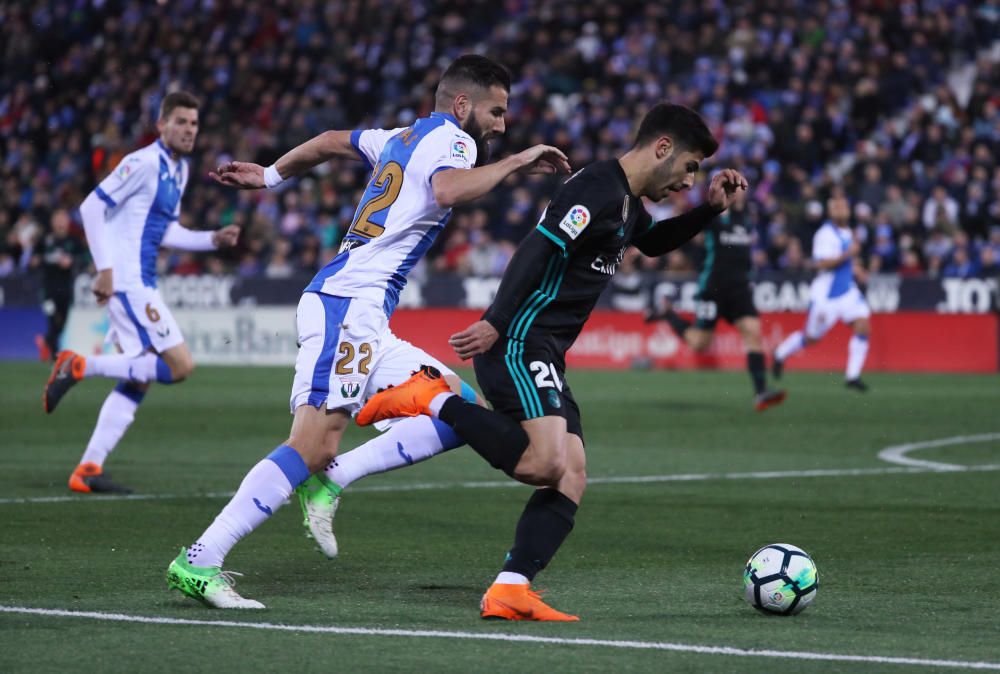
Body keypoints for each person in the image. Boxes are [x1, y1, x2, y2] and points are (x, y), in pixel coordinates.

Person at [164, 55, 570, 609]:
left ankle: (332, 478)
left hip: (364, 312)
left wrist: (271, 174)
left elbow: (332, 140)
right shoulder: (456, 142)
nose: (502, 124)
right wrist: (519, 162)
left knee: (458, 410)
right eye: (496, 111)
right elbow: (449, 191)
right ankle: (200, 560)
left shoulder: (401, 136)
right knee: (310, 443)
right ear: (461, 104)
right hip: (346, 305)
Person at [357, 102, 748, 621]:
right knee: (545, 463)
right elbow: (537, 249)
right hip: (519, 340)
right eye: (690, 166)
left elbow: (652, 242)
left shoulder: (627, 204)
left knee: (572, 473)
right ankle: (433, 397)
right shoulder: (598, 188)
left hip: (546, 352)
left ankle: (510, 588)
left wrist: (710, 210)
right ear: (662, 148)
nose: (689, 179)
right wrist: (497, 320)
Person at [42, 91, 240, 493]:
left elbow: (165, 230)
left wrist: (210, 241)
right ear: (161, 125)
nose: (189, 130)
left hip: (140, 282)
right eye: (181, 121)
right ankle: (79, 365)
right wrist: (106, 271)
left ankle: (88, 470)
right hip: (129, 283)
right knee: (179, 366)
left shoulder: (178, 170)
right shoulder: (142, 162)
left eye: (195, 123)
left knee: (139, 375)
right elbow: (91, 208)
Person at [646, 188, 786, 411]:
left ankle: (761, 392)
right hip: (714, 289)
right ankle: (668, 314)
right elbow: (693, 225)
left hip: (740, 289)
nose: (738, 193)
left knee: (753, 332)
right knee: (700, 343)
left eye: (741, 189)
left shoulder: (747, 220)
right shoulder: (714, 218)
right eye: (734, 189)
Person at [771, 195, 871, 391]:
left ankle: (852, 375)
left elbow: (846, 261)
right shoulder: (825, 234)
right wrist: (847, 255)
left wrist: (856, 269)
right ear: (831, 212)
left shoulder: (848, 232)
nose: (842, 210)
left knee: (863, 325)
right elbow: (821, 263)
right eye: (837, 207)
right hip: (826, 296)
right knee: (811, 338)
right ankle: (780, 354)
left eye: (844, 206)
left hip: (847, 291)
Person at [32, 209, 86, 361]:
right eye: (58, 218)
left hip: (66, 289)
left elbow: (83, 259)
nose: (61, 222)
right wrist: (40, 260)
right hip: (47, 290)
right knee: (52, 319)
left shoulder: (74, 241)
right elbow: (33, 260)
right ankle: (54, 356)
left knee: (62, 324)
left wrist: (72, 262)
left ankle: (46, 342)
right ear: (52, 222)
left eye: (64, 218)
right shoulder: (45, 240)